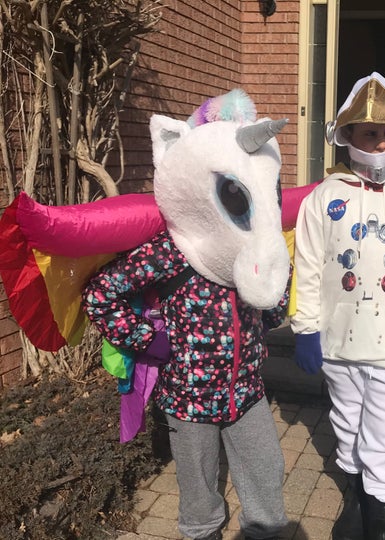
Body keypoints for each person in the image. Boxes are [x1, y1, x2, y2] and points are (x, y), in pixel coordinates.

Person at [82, 90, 290, 540]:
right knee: (198, 498)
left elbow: (272, 307)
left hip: (247, 390)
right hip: (189, 397)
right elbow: (102, 294)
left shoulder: (250, 244)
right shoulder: (174, 251)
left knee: (268, 482)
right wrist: (149, 341)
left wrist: (275, 297)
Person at [290, 72, 385, 540]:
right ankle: (358, 505)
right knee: (347, 428)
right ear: (348, 138)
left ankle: (380, 530)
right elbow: (309, 264)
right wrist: (305, 328)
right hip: (337, 343)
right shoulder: (323, 198)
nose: (379, 144)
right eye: (369, 133)